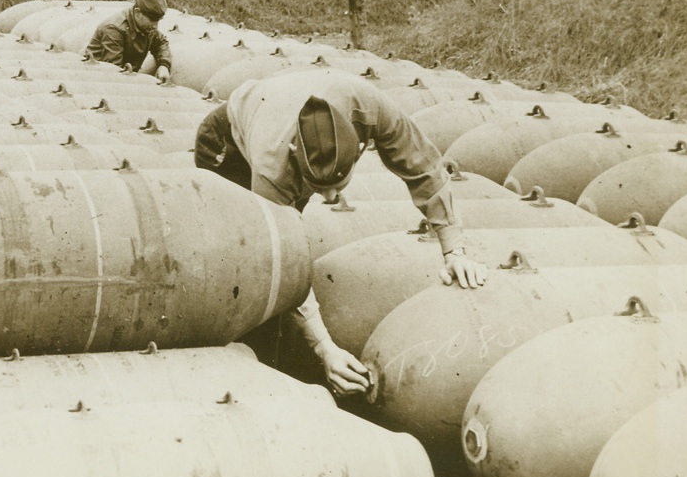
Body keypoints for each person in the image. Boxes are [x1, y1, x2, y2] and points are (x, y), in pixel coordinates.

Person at [194, 68, 488, 396]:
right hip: (228, 142)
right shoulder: (272, 165)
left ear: (361, 142)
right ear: (296, 157)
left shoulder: (372, 108)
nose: (332, 198)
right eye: (320, 188)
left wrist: (454, 250)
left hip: (283, 118)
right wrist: (325, 349)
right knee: (252, 266)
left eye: (339, 186)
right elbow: (280, 256)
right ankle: (249, 380)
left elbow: (423, 167)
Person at [84, 0, 172, 83]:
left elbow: (161, 43)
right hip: (96, 79)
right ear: (138, 13)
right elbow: (114, 71)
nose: (155, 26)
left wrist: (163, 65)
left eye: (158, 20)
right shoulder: (114, 29)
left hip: (125, 77)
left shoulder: (148, 28)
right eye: (152, 20)